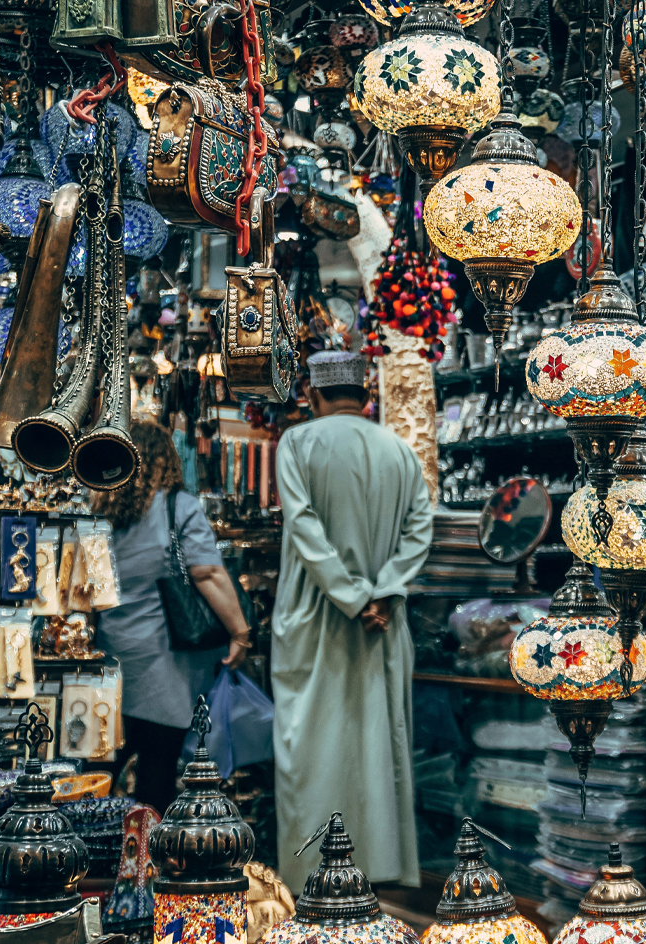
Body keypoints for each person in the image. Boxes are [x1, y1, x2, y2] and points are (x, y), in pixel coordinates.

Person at [271, 350, 434, 891]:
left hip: (318, 619)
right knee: (373, 747)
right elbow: (420, 529)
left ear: (314, 396)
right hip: (381, 625)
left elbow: (304, 528)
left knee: (311, 751)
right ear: (366, 396)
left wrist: (351, 596)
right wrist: (382, 593)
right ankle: (375, 872)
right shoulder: (400, 452)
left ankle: (310, 879)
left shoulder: (296, 443)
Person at [90, 420, 252, 814]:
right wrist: (240, 631)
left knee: (100, 767)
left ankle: (96, 849)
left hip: (110, 657)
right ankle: (144, 859)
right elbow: (207, 572)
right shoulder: (178, 506)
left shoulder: (100, 511)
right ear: (166, 460)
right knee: (158, 770)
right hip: (165, 663)